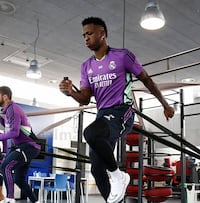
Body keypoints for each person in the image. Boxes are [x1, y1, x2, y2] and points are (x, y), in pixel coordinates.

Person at [59, 17, 175, 203]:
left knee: (90, 133)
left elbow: (147, 80)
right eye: (84, 35)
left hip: (123, 112)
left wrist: (165, 105)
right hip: (103, 115)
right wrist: (70, 91)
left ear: (102, 34)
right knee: (97, 169)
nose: (86, 38)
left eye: (89, 34)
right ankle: (113, 198)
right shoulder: (86, 66)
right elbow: (85, 98)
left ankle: (118, 175)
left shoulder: (122, 56)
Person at [0, 86, 40, 203]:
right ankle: (35, 201)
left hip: (28, 146)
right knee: (19, 179)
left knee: (5, 166)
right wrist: (1, 121)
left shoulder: (13, 110)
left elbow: (14, 133)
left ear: (5, 97)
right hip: (25, 147)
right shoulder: (9, 111)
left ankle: (10, 199)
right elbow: (13, 128)